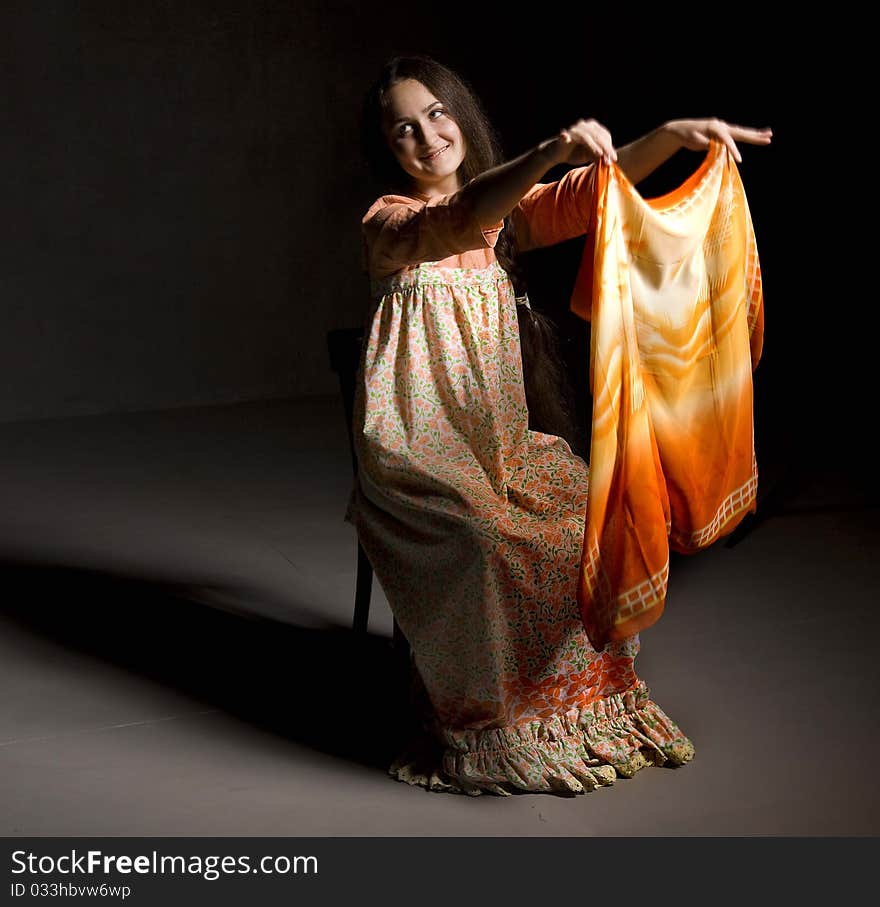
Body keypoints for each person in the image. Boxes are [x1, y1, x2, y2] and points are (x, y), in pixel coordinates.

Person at [345, 54, 772, 796]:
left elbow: (586, 191)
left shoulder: (505, 214)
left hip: (499, 447)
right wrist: (548, 150)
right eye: (404, 127)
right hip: (416, 451)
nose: (427, 135)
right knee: (483, 541)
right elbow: (462, 214)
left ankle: (577, 708)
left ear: (460, 115)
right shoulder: (390, 223)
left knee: (588, 513)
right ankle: (489, 722)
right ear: (388, 147)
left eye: (437, 113)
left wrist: (669, 136)